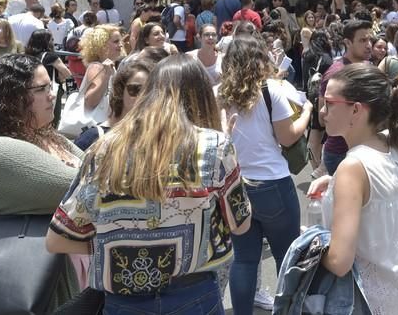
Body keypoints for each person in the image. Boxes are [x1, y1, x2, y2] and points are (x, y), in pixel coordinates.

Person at [47, 55, 251, 314]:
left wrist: (120, 242)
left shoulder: (104, 150)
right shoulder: (215, 146)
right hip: (193, 295)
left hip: (123, 301)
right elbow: (241, 224)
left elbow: (58, 238)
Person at [307, 63, 398, 315]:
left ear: (355, 109)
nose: (322, 112)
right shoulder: (394, 143)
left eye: (329, 103)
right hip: (393, 293)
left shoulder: (352, 169)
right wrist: (335, 182)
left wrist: (307, 245)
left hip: (359, 300)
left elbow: (339, 262)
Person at [217, 36, 312, 315]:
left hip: (236, 184)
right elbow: (288, 137)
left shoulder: (220, 93)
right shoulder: (270, 91)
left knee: (244, 259)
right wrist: (306, 112)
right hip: (273, 184)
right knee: (287, 257)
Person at [0, 54, 84, 309]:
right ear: (9, 98)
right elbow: (83, 188)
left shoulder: (52, 138)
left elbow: (100, 171)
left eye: (50, 87)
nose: (51, 95)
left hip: (76, 263)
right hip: (43, 280)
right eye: (41, 89)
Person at [319, 19, 373, 176]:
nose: (369, 45)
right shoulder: (335, 74)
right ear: (347, 43)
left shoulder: (368, 67)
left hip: (366, 149)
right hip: (341, 154)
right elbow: (323, 118)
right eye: (363, 40)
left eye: (370, 39)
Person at [74, 59, 154, 151]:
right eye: (135, 90)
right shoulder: (93, 137)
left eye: (149, 91)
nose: (142, 97)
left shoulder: (152, 137)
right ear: (120, 91)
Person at [302, 30, 335, 179]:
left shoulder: (307, 55)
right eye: (328, 38)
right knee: (323, 134)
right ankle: (320, 169)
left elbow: (304, 80)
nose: (331, 40)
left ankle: (316, 166)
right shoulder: (326, 59)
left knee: (313, 133)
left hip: (309, 98)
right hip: (322, 99)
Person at [26, 29, 72, 126]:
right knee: (52, 118)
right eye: (51, 39)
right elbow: (67, 73)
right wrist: (61, 78)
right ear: (46, 41)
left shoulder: (28, 55)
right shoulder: (50, 56)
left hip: (32, 90)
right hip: (50, 90)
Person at [78, 25, 124, 123]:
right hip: (98, 126)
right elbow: (90, 101)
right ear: (102, 45)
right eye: (116, 42)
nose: (121, 45)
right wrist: (106, 75)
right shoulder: (97, 67)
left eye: (120, 41)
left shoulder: (108, 66)